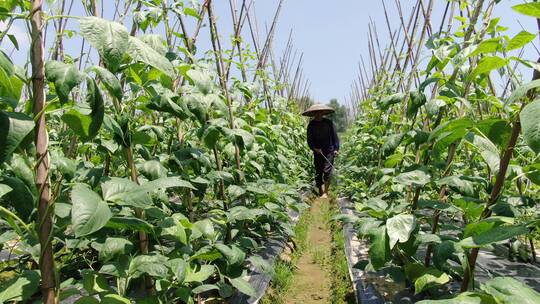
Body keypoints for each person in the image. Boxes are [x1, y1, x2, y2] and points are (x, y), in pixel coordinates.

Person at [303, 104, 340, 198]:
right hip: (317, 151)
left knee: (327, 171)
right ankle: (321, 190)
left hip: (329, 150)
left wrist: (336, 149)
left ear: (323, 113)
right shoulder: (311, 125)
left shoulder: (328, 123)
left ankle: (325, 192)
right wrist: (315, 148)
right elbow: (309, 139)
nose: (318, 114)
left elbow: (334, 136)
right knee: (318, 171)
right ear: (313, 114)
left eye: (320, 112)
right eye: (316, 113)